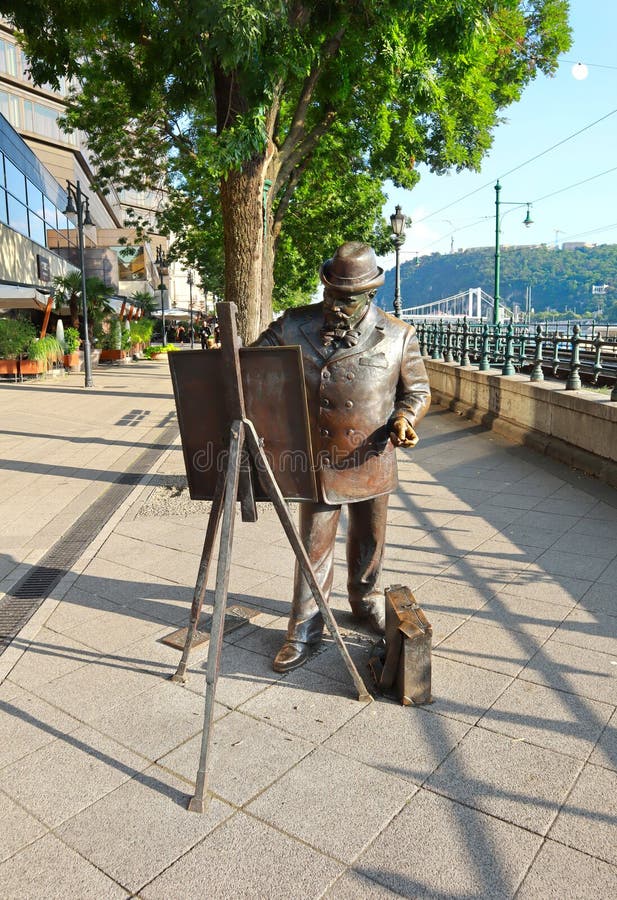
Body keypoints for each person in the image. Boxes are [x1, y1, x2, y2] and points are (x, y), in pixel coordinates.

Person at [254, 241, 431, 672]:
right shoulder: (294, 325)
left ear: (369, 295)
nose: (336, 304)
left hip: (372, 454)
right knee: (312, 545)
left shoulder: (398, 335)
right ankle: (304, 629)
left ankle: (364, 599)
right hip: (317, 457)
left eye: (347, 298)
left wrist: (406, 418)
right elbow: (252, 363)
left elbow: (418, 391)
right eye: (331, 293)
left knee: (369, 540)